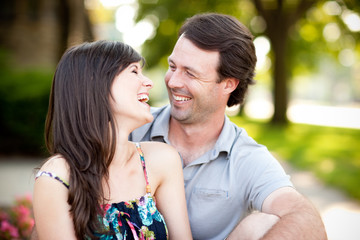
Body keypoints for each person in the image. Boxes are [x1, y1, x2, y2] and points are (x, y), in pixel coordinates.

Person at [129, 13, 327, 239]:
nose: (173, 82)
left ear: (228, 84)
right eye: (173, 67)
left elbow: (305, 218)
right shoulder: (130, 128)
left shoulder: (246, 157)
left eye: (190, 73)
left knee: (264, 223)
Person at [32, 40, 192, 239]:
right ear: (95, 82)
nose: (148, 82)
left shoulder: (162, 160)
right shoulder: (57, 177)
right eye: (134, 71)